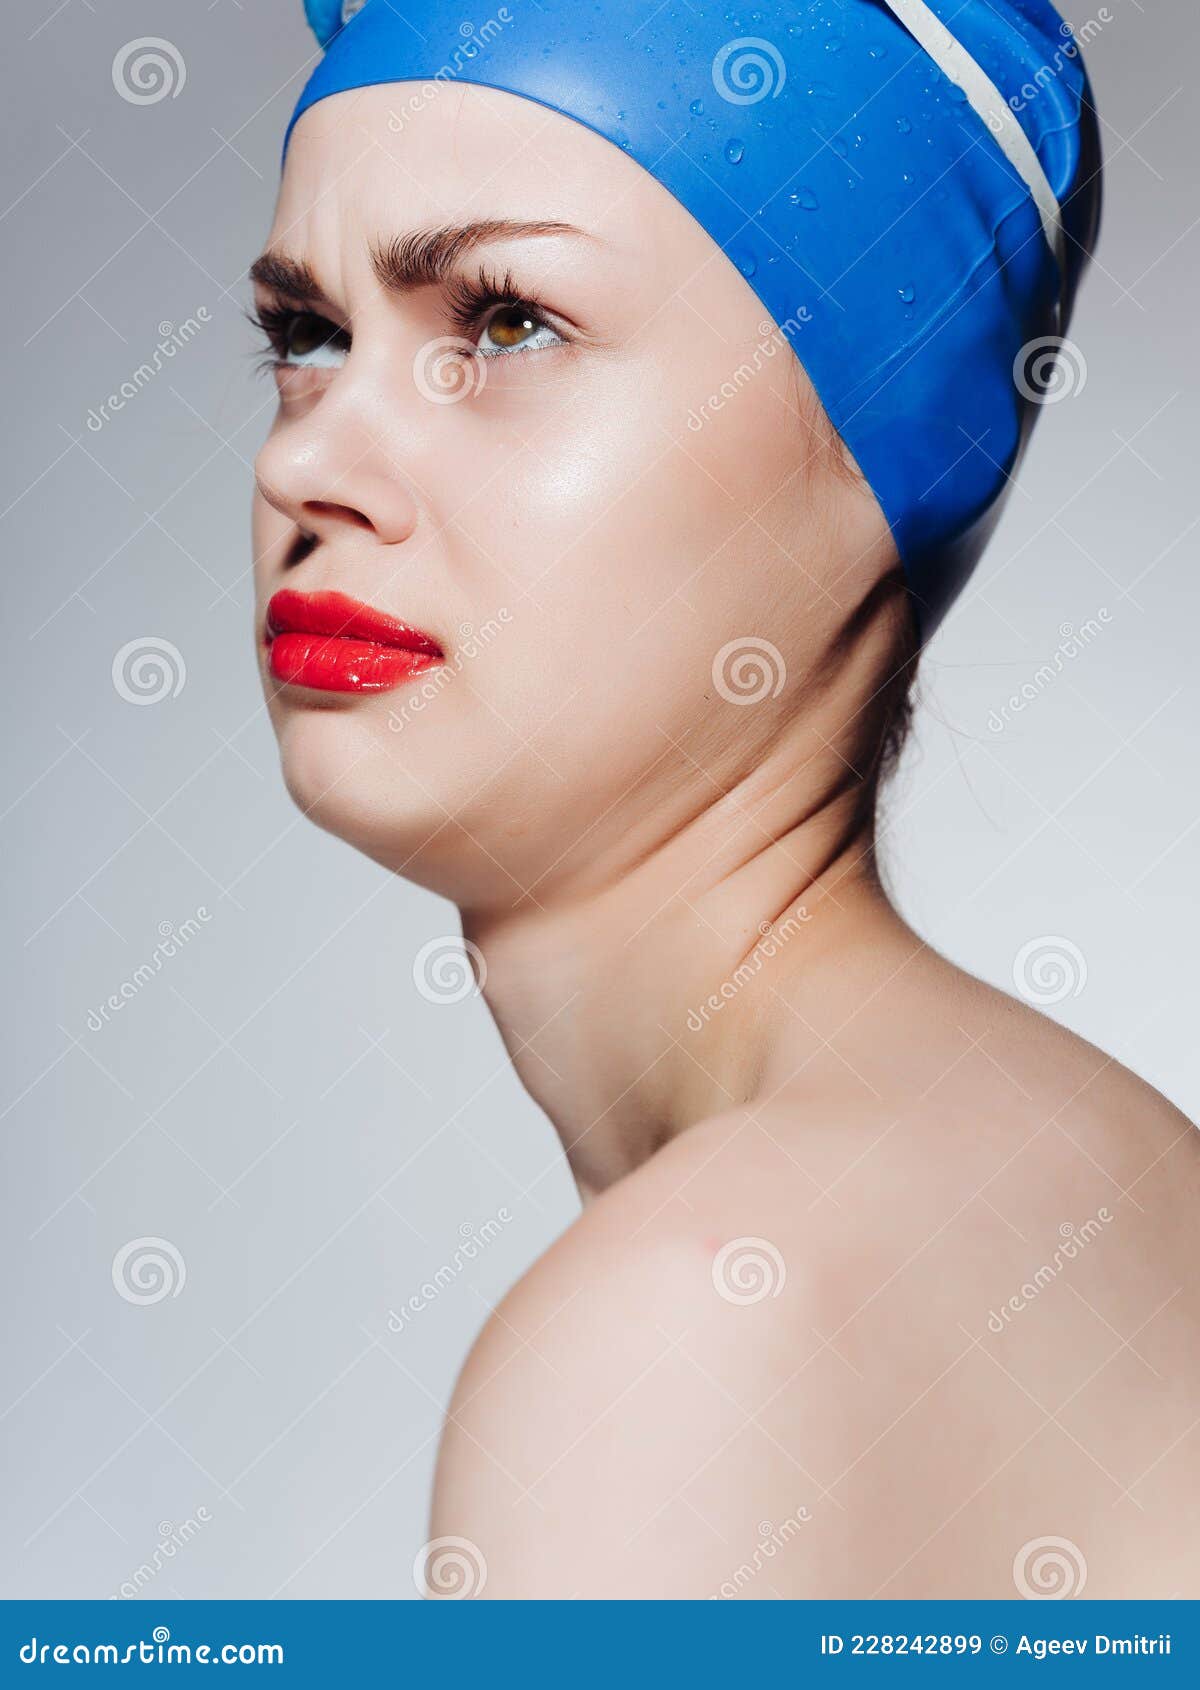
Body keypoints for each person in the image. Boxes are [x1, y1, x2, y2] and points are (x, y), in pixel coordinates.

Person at [249, 0, 1198, 1597]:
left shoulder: (697, 1327)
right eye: (308, 336)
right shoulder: (1097, 1187)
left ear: (909, 441)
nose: (309, 462)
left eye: (504, 322)